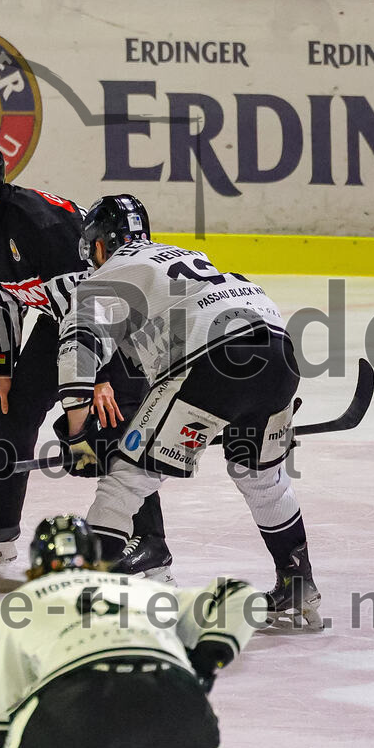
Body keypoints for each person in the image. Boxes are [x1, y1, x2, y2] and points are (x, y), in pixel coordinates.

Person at [55, 193, 323, 629]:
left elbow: (77, 346)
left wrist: (78, 430)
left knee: (124, 480)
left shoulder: (109, 273)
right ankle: (298, 585)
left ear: (99, 246)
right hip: (278, 354)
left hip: (211, 361)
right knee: (262, 479)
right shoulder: (181, 256)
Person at [0, 139, 169, 575]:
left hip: (118, 324)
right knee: (11, 406)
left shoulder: (41, 225)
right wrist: (4, 372)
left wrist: (97, 379)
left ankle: (149, 540)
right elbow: (3, 305)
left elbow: (89, 308)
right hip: (66, 319)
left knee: (111, 422)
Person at [0, 514, 260, 748]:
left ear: (36, 565)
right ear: (96, 559)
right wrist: (206, 662)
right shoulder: (142, 588)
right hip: (174, 697)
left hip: (75, 706)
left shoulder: (18, 604)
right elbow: (242, 596)